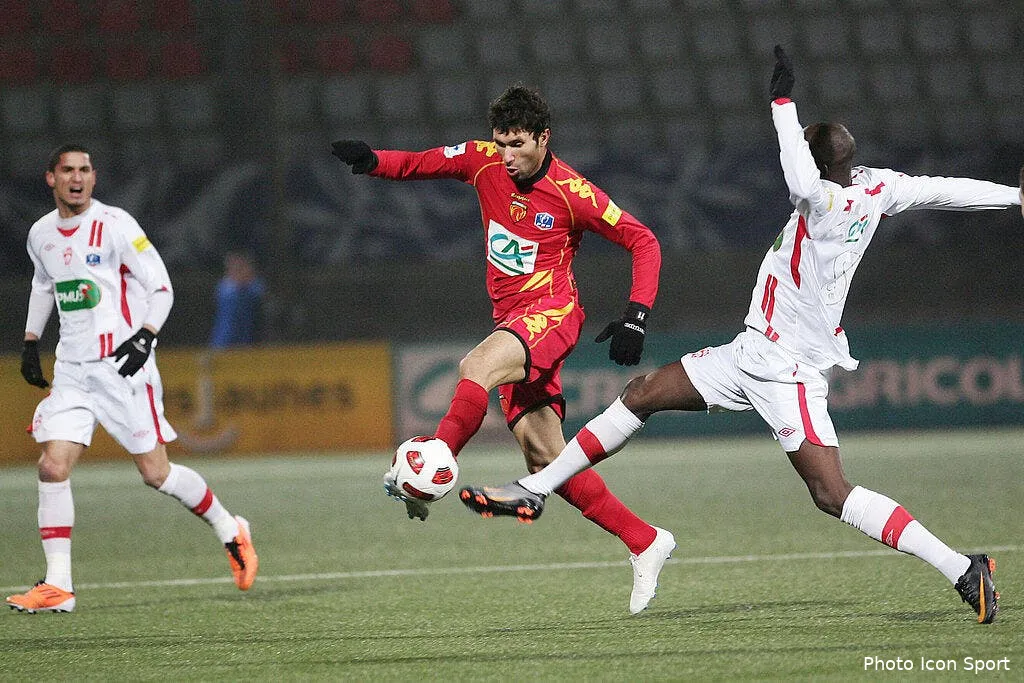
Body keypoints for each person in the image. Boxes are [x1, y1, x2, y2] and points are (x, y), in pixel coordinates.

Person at [460, 47, 1022, 624]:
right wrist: (1015, 197)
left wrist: (782, 104)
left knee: (832, 496)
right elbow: (940, 189)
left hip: (788, 371)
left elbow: (802, 174)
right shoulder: (875, 187)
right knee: (643, 393)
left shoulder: (821, 201)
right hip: (748, 352)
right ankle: (539, 486)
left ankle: (961, 567)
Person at [332, 85, 675, 614]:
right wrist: (371, 160)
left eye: (517, 144)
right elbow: (420, 163)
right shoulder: (483, 161)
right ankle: (644, 540)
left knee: (476, 365)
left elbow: (643, 240)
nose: (507, 156)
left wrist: (637, 314)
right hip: (512, 320)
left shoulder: (571, 192)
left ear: (544, 138)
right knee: (546, 458)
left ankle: (433, 465)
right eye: (501, 143)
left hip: (552, 315)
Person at [7, 144, 258, 614]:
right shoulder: (41, 233)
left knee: (156, 474)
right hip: (73, 372)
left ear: (93, 178)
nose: (77, 178)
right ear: (51, 179)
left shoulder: (116, 225)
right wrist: (29, 340)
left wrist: (144, 336)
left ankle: (230, 527)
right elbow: (45, 284)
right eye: (68, 171)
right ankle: (59, 586)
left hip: (123, 368)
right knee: (51, 467)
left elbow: (161, 286)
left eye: (85, 170)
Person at [209, 249, 265, 348]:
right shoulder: (225, 289)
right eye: (234, 268)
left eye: (241, 267)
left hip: (250, 341)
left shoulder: (254, 288)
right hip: (225, 342)